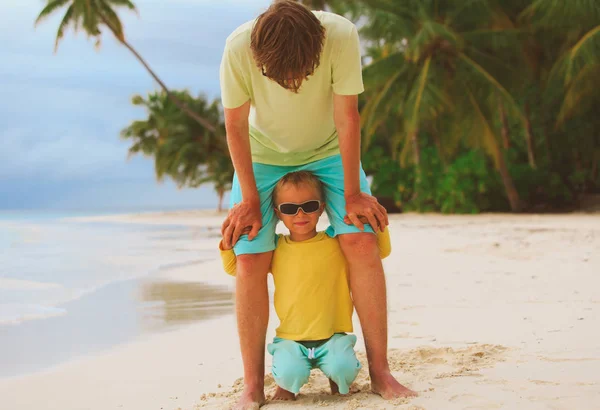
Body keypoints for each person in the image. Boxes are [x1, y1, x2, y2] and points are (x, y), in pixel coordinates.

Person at [219, 1, 416, 408]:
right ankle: (252, 385)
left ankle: (380, 372)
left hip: (328, 148)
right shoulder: (237, 48)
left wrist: (355, 193)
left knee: (361, 239)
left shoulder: (340, 35)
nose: (292, 83)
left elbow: (347, 116)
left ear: (317, 46)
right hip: (262, 155)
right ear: (259, 56)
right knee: (251, 255)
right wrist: (251, 201)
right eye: (281, 75)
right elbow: (235, 125)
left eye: (301, 74)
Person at [220, 171, 391, 400]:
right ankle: (286, 385)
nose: (300, 214)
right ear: (278, 213)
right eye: (290, 208)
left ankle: (337, 380)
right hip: (291, 339)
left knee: (343, 368)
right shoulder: (275, 248)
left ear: (321, 208)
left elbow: (379, 252)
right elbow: (236, 269)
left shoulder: (337, 241)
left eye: (309, 206)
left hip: (333, 336)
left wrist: (378, 222)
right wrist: (226, 241)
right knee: (290, 373)